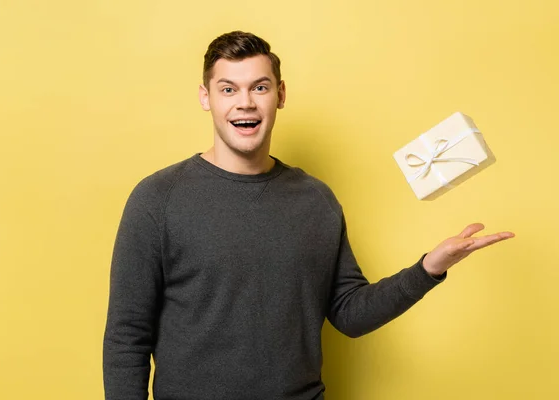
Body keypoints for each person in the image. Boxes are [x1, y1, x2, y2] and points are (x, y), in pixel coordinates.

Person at [102, 31, 514, 400]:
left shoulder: (315, 199)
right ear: (206, 97)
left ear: (280, 94)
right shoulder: (157, 199)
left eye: (259, 87)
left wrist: (428, 269)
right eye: (228, 89)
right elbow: (126, 337)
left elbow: (350, 313)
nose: (244, 102)